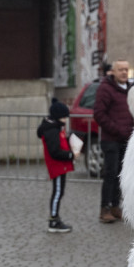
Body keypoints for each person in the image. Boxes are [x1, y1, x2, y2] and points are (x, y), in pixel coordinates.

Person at [94, 59, 134, 223]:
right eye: (121, 70)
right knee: (110, 174)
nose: (124, 73)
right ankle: (104, 208)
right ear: (113, 72)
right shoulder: (105, 89)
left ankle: (115, 206)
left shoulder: (130, 89)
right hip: (111, 139)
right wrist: (117, 130)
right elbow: (99, 114)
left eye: (126, 70)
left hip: (125, 140)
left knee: (121, 175)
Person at [37, 100, 76, 233]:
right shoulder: (52, 130)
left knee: (59, 192)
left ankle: (55, 218)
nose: (65, 120)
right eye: (64, 117)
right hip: (58, 166)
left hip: (60, 166)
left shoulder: (55, 127)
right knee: (58, 192)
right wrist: (70, 155)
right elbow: (55, 151)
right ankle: (53, 219)